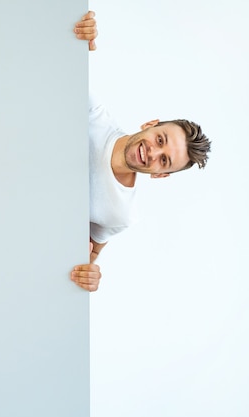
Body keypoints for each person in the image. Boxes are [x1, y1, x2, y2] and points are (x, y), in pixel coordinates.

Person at [70, 13, 212, 292]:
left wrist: (91, 273)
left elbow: (88, 255)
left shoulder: (122, 214)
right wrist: (74, 44)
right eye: (160, 139)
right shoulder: (92, 113)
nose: (152, 152)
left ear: (161, 175)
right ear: (149, 124)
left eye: (164, 160)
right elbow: (50, 72)